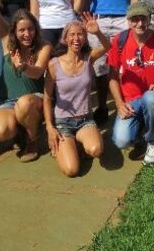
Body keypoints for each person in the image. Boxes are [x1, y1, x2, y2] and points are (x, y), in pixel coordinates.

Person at [0, 0, 52, 162]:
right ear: (14, 31)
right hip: (10, 102)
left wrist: (23, 66)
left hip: (35, 99)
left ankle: (32, 139)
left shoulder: (43, 46)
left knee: (24, 103)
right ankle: (20, 129)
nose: (27, 34)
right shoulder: (7, 41)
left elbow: (38, 72)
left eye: (30, 29)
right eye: (22, 30)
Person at [108, 2, 154, 165]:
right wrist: (119, 103)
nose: (140, 24)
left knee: (150, 98)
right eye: (135, 19)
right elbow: (112, 76)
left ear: (150, 19)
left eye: (143, 19)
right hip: (130, 101)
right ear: (128, 21)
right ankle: (140, 133)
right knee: (121, 141)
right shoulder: (120, 40)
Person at [44, 18, 111, 177]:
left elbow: (107, 46)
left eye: (80, 34)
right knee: (71, 170)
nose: (76, 38)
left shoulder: (88, 58)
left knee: (96, 150)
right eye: (72, 35)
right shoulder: (54, 64)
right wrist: (49, 127)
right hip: (63, 123)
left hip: (85, 120)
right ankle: (67, 146)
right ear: (65, 38)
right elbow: (46, 98)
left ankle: (76, 143)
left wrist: (97, 32)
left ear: (85, 38)